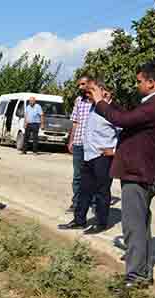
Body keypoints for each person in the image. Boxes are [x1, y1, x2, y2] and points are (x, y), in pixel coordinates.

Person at [90, 61, 155, 291]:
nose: (137, 84)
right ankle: (143, 273)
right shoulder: (150, 104)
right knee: (141, 225)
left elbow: (123, 121)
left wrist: (100, 103)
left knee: (133, 227)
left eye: (140, 81)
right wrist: (110, 104)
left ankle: (135, 277)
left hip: (139, 174)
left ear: (151, 82)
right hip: (142, 173)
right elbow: (129, 118)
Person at [58, 81, 118, 234]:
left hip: (103, 157)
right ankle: (79, 221)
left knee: (102, 191)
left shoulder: (114, 111)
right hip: (88, 155)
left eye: (91, 92)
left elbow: (126, 133)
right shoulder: (92, 108)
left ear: (104, 92)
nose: (87, 96)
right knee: (84, 190)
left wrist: (115, 150)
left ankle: (101, 223)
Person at [67, 76, 93, 212]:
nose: (80, 87)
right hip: (78, 143)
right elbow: (75, 122)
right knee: (77, 175)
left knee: (93, 176)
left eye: (83, 84)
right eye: (79, 85)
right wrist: (71, 140)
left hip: (93, 145)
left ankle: (93, 202)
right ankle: (76, 202)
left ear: (90, 84)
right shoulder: (78, 101)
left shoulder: (97, 101)